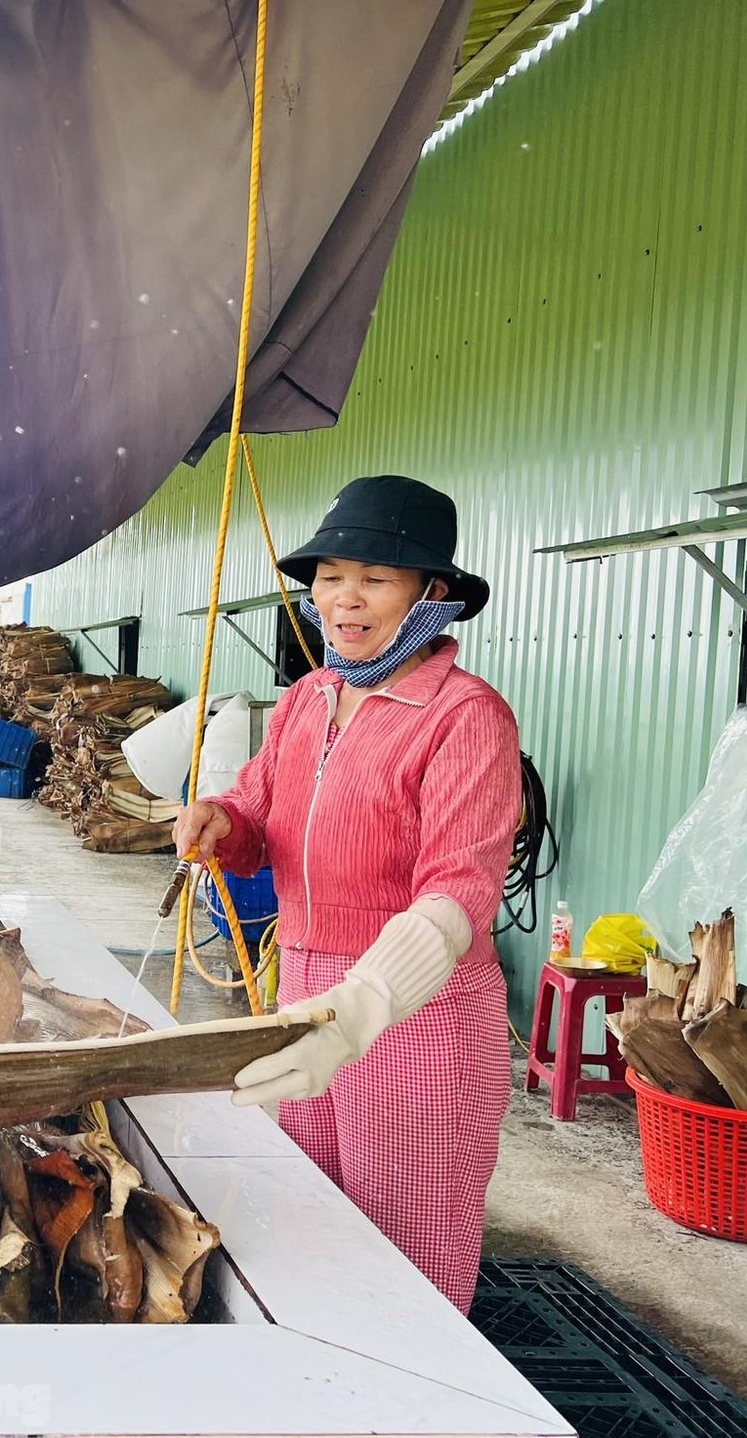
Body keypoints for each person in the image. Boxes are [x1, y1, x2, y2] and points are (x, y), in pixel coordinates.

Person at [172, 474, 521, 1313]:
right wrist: (219, 818)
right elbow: (259, 808)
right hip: (305, 998)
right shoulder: (308, 699)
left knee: (408, 1260)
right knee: (314, 1230)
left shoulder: (466, 717)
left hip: (415, 1020)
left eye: (374, 578)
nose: (344, 599)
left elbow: (454, 899)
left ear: (431, 593)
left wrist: (359, 1010)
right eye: (331, 576)